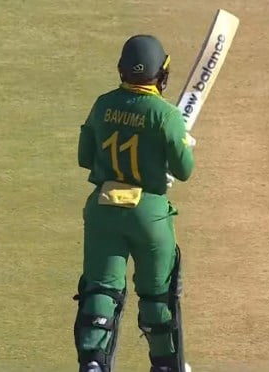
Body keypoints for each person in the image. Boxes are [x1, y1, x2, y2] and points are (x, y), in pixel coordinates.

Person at [73, 35, 195, 372]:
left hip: (104, 209)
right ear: (162, 73)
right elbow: (184, 170)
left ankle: (93, 364)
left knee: (101, 291)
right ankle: (166, 365)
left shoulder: (102, 104)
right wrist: (179, 149)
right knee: (157, 295)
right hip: (149, 214)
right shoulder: (166, 115)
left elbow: (85, 157)